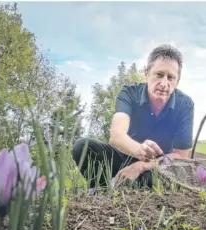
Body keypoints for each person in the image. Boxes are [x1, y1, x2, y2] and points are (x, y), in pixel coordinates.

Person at [72, 44, 194, 193]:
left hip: (158, 166)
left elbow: (181, 156)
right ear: (146, 74)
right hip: (124, 159)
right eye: (159, 74)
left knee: (151, 180)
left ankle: (126, 192)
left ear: (177, 81)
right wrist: (140, 151)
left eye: (171, 77)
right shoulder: (129, 93)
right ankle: (102, 191)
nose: (164, 83)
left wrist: (142, 165)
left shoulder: (185, 105)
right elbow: (116, 135)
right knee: (82, 146)